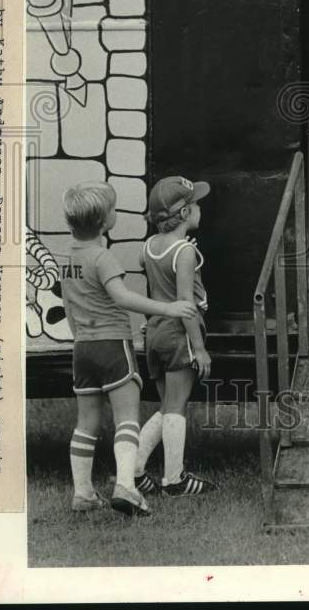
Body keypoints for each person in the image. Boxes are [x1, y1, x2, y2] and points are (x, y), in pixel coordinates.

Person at [61, 180, 196, 517]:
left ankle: (83, 493)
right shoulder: (102, 257)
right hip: (112, 345)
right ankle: (126, 486)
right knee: (126, 420)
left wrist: (80, 336)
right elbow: (122, 297)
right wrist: (167, 309)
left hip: (82, 348)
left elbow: (68, 308)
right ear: (106, 221)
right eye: (113, 210)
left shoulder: (68, 261)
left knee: (86, 422)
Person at [133, 176, 216, 497]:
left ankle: (135, 469)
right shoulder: (184, 252)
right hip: (179, 335)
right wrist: (200, 348)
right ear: (183, 215)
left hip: (155, 333)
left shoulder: (149, 247)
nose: (199, 209)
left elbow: (151, 277)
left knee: (167, 405)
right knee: (177, 407)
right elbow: (185, 305)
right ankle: (174, 479)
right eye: (195, 205)